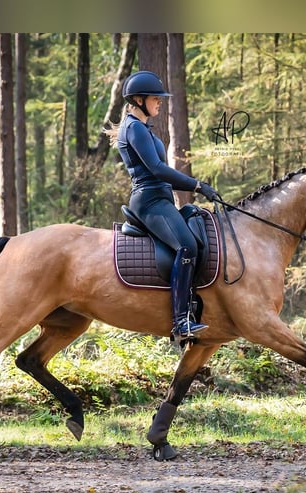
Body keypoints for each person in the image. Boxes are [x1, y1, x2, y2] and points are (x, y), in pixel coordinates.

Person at [106, 70, 220, 341]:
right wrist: (196, 185)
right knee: (186, 246)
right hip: (149, 200)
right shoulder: (133, 128)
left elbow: (163, 173)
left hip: (160, 197)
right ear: (138, 99)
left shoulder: (143, 128)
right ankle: (181, 322)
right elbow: (157, 169)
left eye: (160, 98)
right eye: (155, 98)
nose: (160, 102)